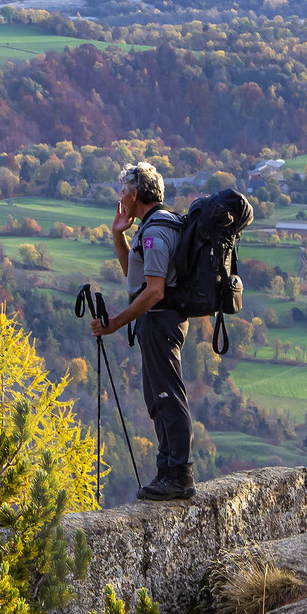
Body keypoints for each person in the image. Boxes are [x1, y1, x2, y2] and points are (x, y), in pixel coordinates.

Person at [91, 159, 195, 503]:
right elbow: (132, 276)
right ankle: (168, 471)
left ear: (136, 193)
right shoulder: (151, 227)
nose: (121, 196)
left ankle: (179, 474)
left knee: (167, 396)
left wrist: (115, 323)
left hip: (160, 319)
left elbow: (153, 291)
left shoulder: (155, 231)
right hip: (158, 320)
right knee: (158, 397)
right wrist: (118, 233)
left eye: (124, 190)